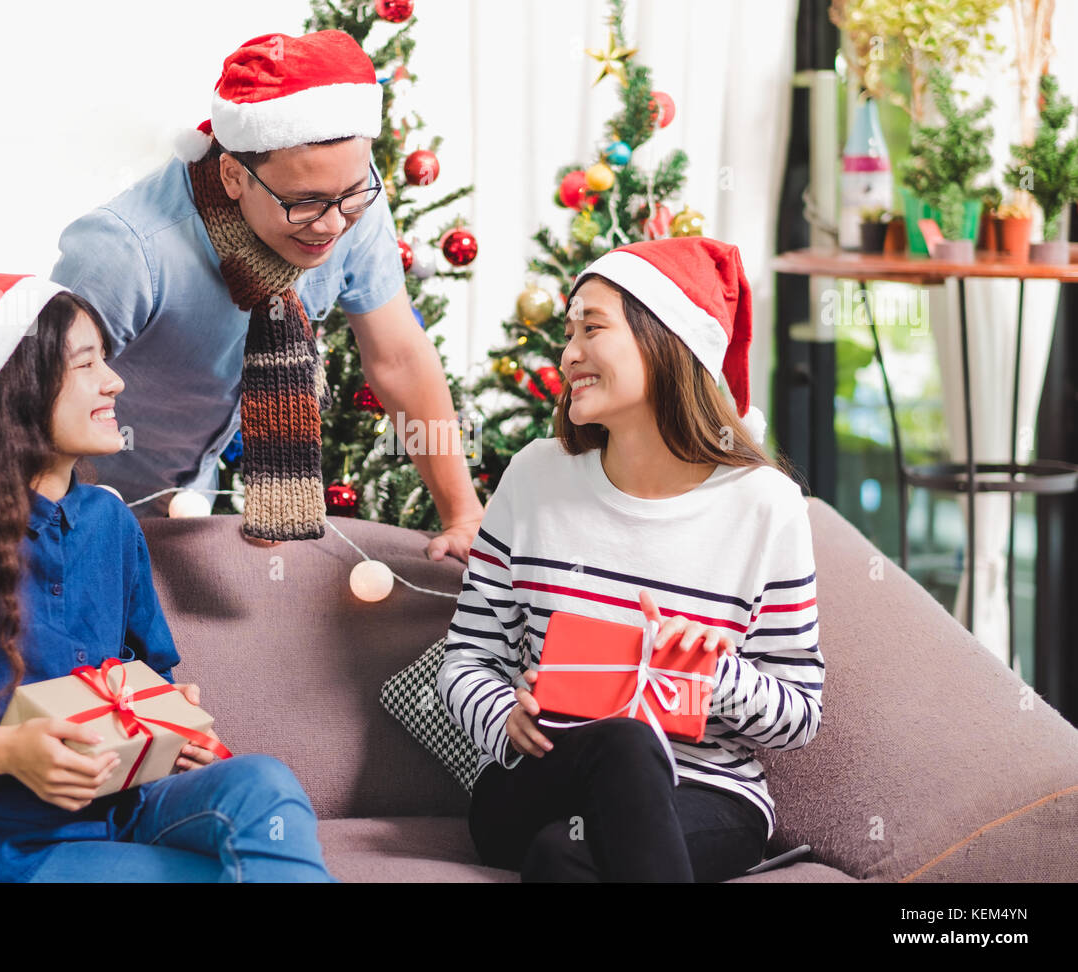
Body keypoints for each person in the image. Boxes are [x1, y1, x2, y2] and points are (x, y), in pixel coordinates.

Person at [0, 274, 333, 882]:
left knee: (263, 784)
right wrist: (3, 751)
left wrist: (169, 722)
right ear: (14, 391)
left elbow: (144, 676)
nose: (114, 380)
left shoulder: (111, 522)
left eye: (107, 360)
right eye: (85, 362)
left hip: (122, 811)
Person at [436, 238, 824, 882]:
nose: (568, 354)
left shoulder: (766, 507)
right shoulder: (535, 476)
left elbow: (800, 715)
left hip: (705, 794)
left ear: (667, 340)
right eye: (568, 333)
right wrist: (504, 716)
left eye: (592, 328)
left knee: (563, 857)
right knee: (622, 742)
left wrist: (710, 673)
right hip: (541, 776)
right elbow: (468, 659)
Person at [49, 29, 484, 558]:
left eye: (351, 194)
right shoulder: (129, 250)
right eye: (304, 202)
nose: (331, 225)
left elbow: (399, 358)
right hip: (70, 515)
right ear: (234, 175)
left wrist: (464, 514)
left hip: (188, 514)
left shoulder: (350, 205)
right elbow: (30, 403)